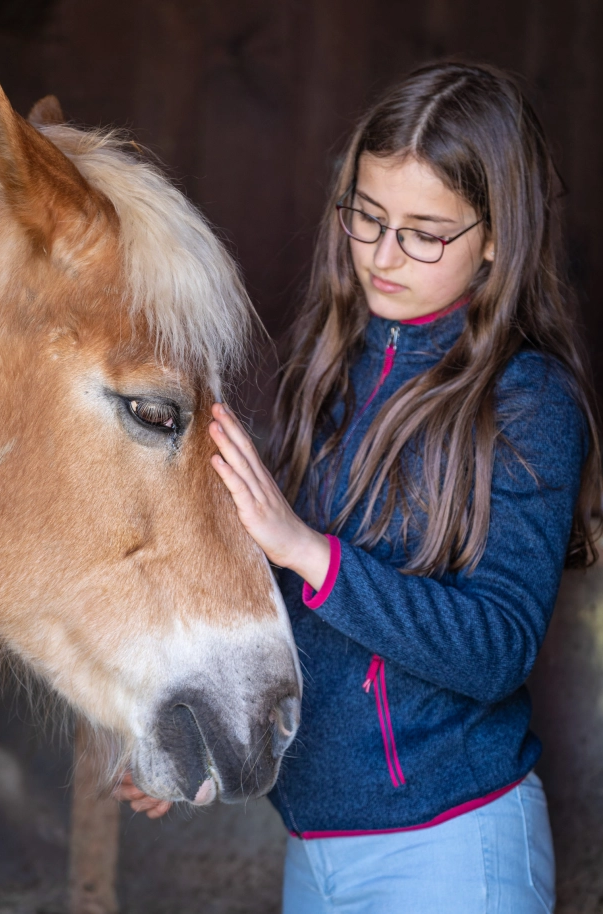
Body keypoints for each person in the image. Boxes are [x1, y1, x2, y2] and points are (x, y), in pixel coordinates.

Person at [117, 61, 602, 913]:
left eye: (424, 232)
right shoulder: (326, 372)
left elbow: (495, 649)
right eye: (367, 216)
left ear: (495, 236)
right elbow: (291, 615)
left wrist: (308, 551)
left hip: (453, 849)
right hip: (314, 850)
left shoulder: (528, 403)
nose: (381, 254)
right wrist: (204, 737)